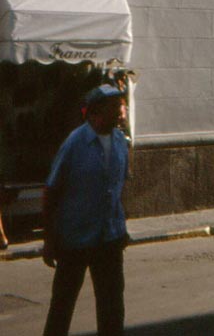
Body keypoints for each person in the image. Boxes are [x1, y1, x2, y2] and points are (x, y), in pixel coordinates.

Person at [41, 84, 130, 336]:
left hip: (109, 238)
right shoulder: (75, 143)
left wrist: (122, 226)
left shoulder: (120, 142)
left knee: (112, 306)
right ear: (95, 112)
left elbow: (119, 187)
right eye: (114, 105)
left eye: (121, 104)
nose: (120, 110)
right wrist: (49, 239)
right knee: (62, 305)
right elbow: (51, 191)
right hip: (75, 239)